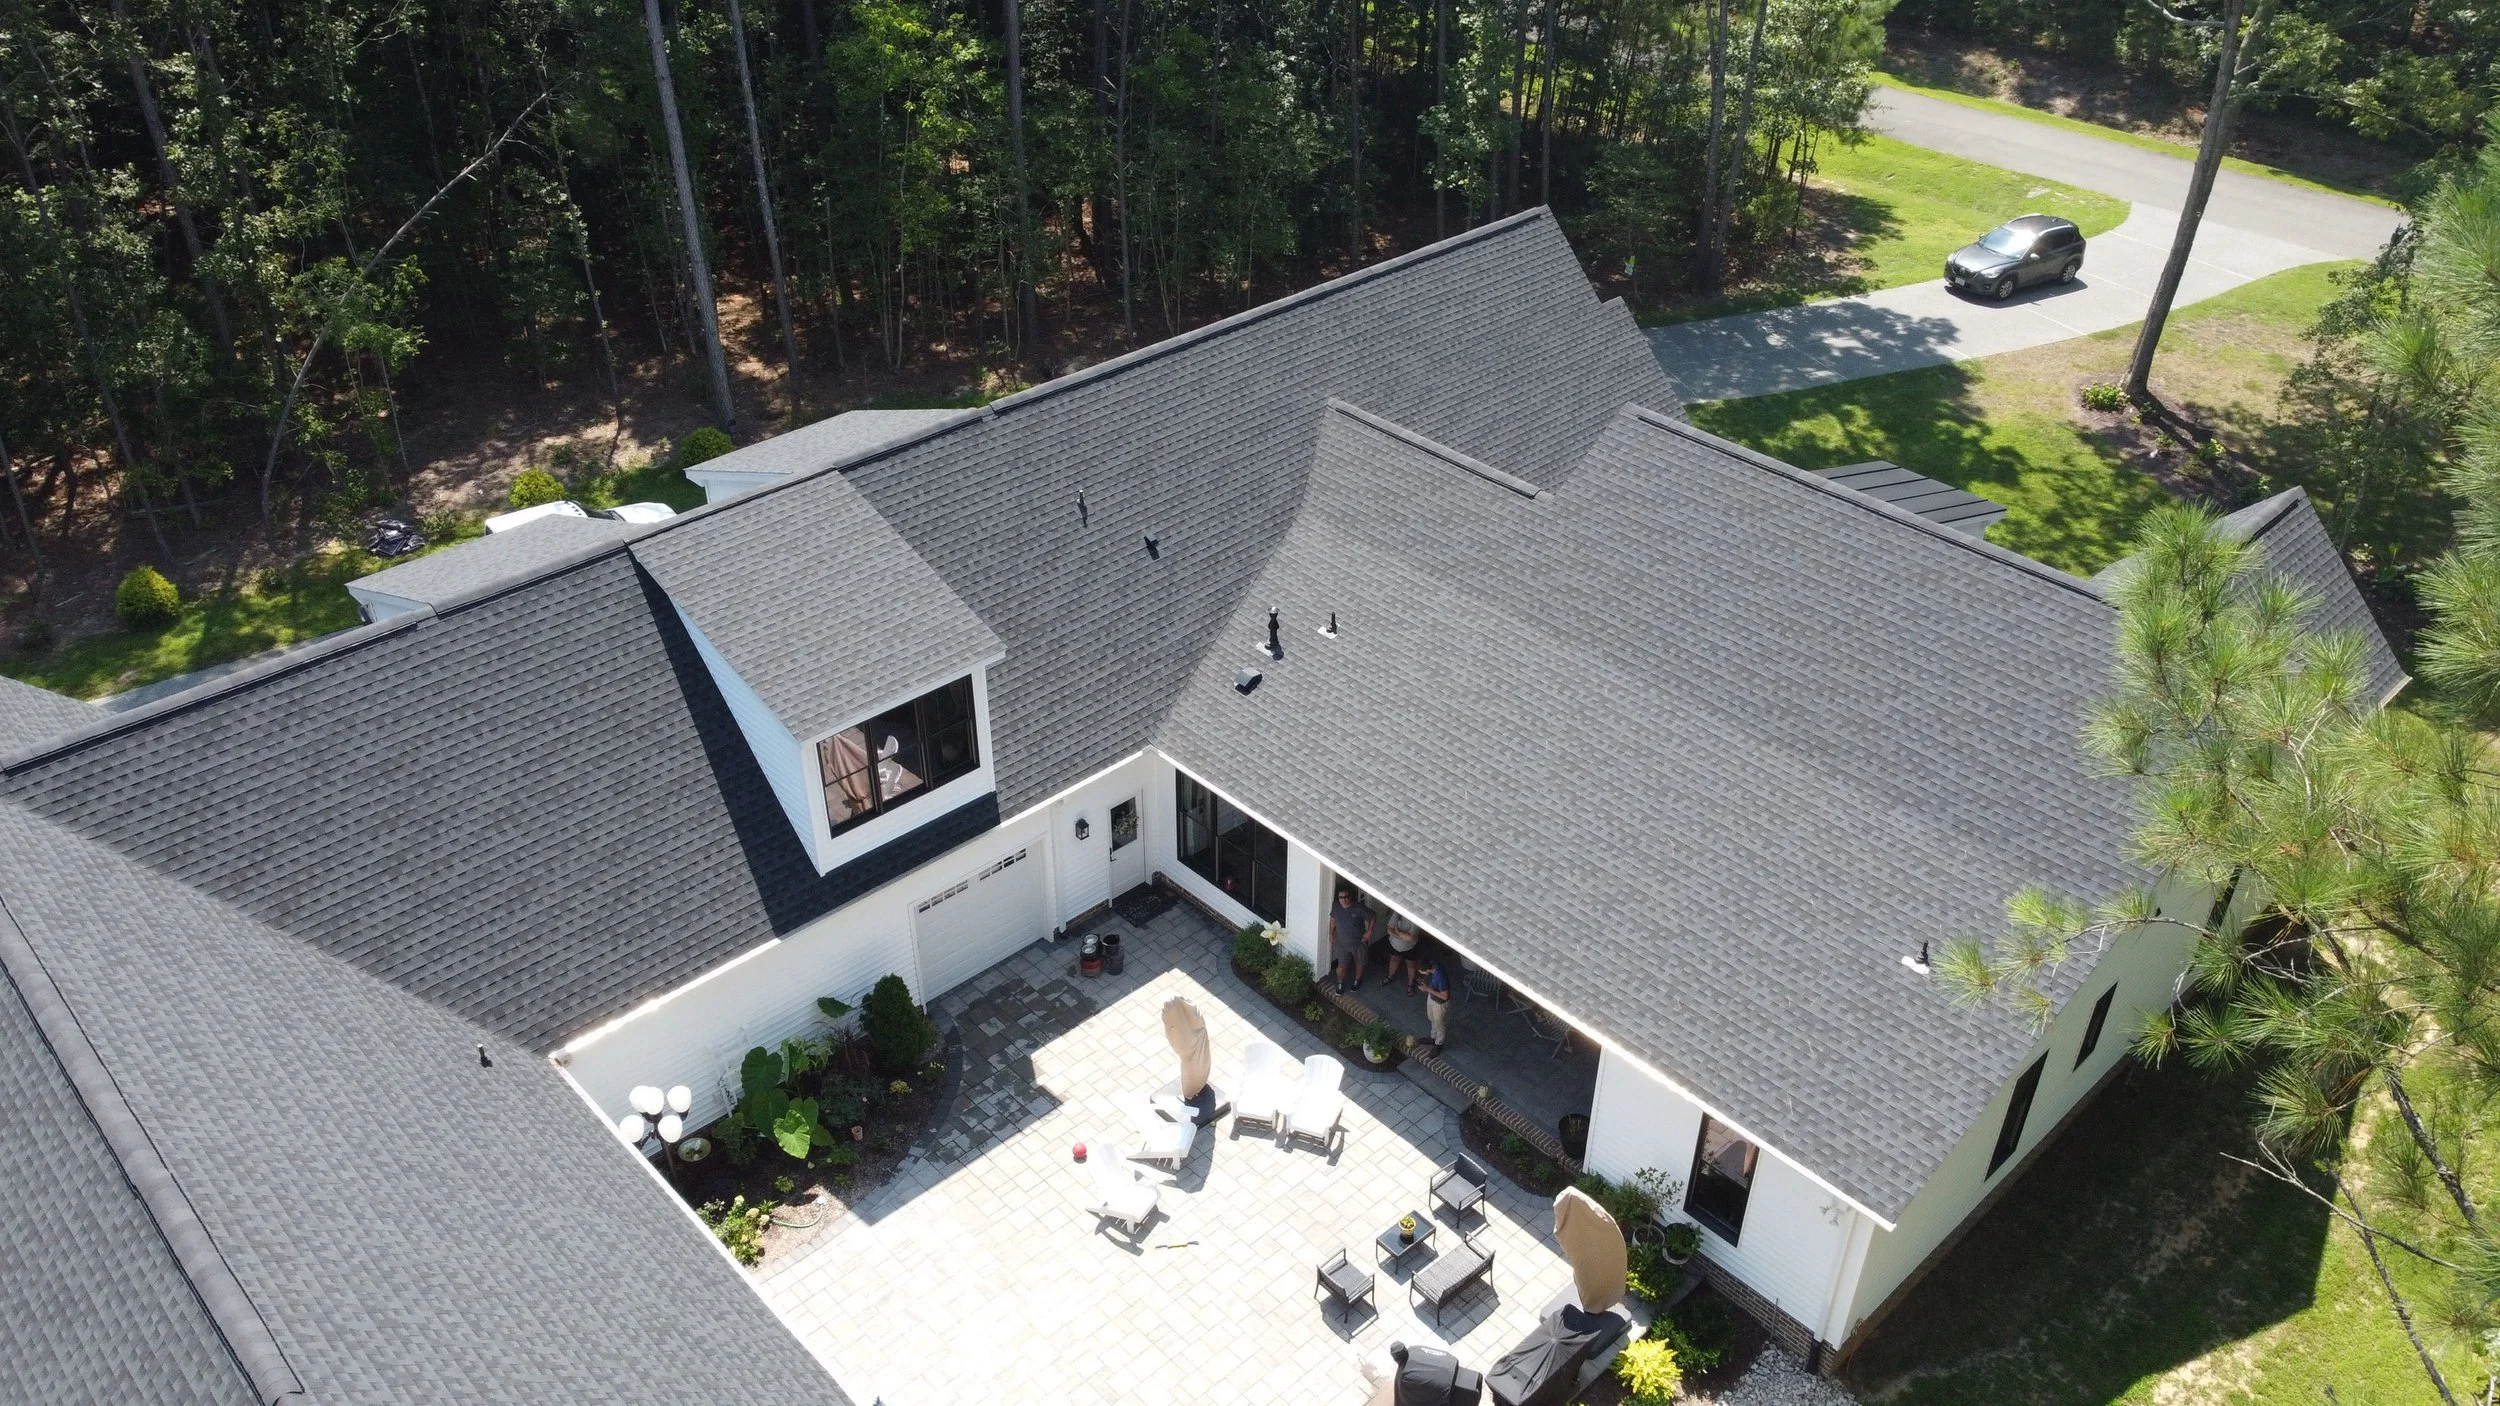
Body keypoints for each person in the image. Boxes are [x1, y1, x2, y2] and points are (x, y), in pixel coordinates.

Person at [1329, 887, 1375, 992]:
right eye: (1341, 897)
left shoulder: (1359, 908)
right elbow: (1332, 920)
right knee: (1341, 966)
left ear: (1351, 897)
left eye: (1346, 897)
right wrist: (1331, 934)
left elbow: (1373, 916)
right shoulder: (1335, 906)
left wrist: (1369, 931)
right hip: (1342, 944)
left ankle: (1357, 980)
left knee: (1360, 963)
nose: (1343, 900)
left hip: (1359, 943)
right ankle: (1340, 982)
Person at [1420, 951, 1452, 1053]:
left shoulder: (1440, 977)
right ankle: (1432, 1037)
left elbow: (1445, 996)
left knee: (1439, 1023)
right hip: (1432, 996)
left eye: (1423, 971)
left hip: (1440, 1002)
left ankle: (1439, 1044)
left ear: (1428, 969)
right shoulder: (1434, 967)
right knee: (1431, 1017)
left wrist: (1428, 989)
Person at [1385, 919, 1422, 992]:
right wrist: (1403, 936)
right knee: (1394, 959)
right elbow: (1389, 928)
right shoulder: (1398, 912)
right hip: (1394, 944)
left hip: (1410, 947)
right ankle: (1390, 976)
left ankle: (1411, 983)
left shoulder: (1415, 919)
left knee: (1410, 965)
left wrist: (1397, 932)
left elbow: (1411, 938)